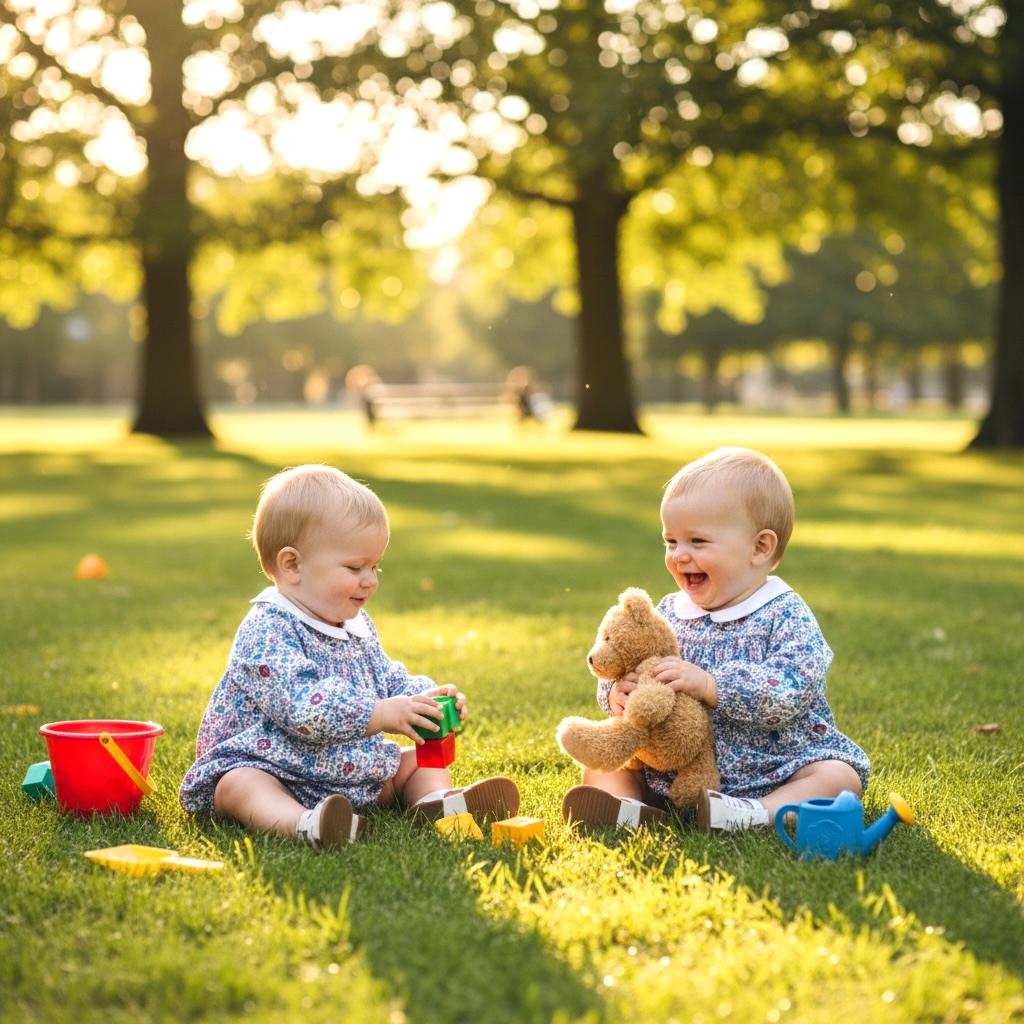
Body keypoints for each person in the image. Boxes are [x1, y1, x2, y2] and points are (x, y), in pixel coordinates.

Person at [179, 464, 519, 850]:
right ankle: (304, 823)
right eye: (355, 567)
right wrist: (381, 714)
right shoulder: (267, 630)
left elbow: (385, 677)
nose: (370, 579)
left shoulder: (352, 622)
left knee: (412, 764)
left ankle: (435, 804)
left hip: (346, 768)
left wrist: (423, 699)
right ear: (292, 565)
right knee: (239, 784)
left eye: (374, 566)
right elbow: (303, 708)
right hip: (277, 766)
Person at [562, 446, 869, 833]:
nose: (679, 556)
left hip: (773, 765)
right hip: (672, 769)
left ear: (760, 547)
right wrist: (617, 694)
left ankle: (754, 812)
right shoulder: (670, 612)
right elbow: (627, 663)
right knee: (606, 760)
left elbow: (794, 687)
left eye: (697, 542)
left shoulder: (783, 612)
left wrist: (713, 685)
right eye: (671, 542)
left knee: (839, 777)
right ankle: (628, 809)